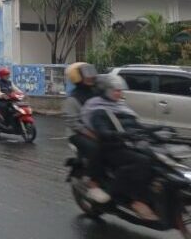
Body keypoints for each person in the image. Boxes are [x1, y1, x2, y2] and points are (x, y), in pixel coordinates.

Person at [82, 74, 158, 221]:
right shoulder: (98, 109)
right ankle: (134, 200)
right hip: (111, 147)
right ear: (104, 91)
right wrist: (118, 135)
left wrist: (157, 130)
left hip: (129, 144)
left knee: (155, 158)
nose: (118, 93)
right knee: (142, 162)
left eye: (119, 90)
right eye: (114, 90)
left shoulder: (121, 107)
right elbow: (102, 130)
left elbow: (137, 126)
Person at [63, 62, 109, 204]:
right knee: (97, 150)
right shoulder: (73, 98)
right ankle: (93, 183)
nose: (90, 76)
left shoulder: (98, 92)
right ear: (77, 77)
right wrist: (91, 134)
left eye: (91, 72)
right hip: (79, 134)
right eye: (86, 73)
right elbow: (73, 123)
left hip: (99, 130)